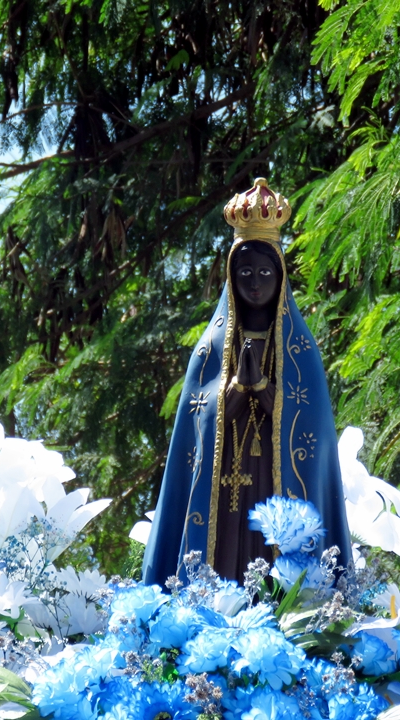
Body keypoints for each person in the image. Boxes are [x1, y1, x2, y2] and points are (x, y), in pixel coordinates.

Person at [142, 178, 352, 587]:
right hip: (223, 485)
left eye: (264, 272)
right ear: (231, 277)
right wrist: (240, 387)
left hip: (275, 481)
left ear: (280, 277)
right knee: (225, 559)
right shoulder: (211, 349)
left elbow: (310, 427)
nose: (255, 282)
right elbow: (198, 424)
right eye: (245, 272)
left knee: (272, 564)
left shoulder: (300, 349)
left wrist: (261, 388)